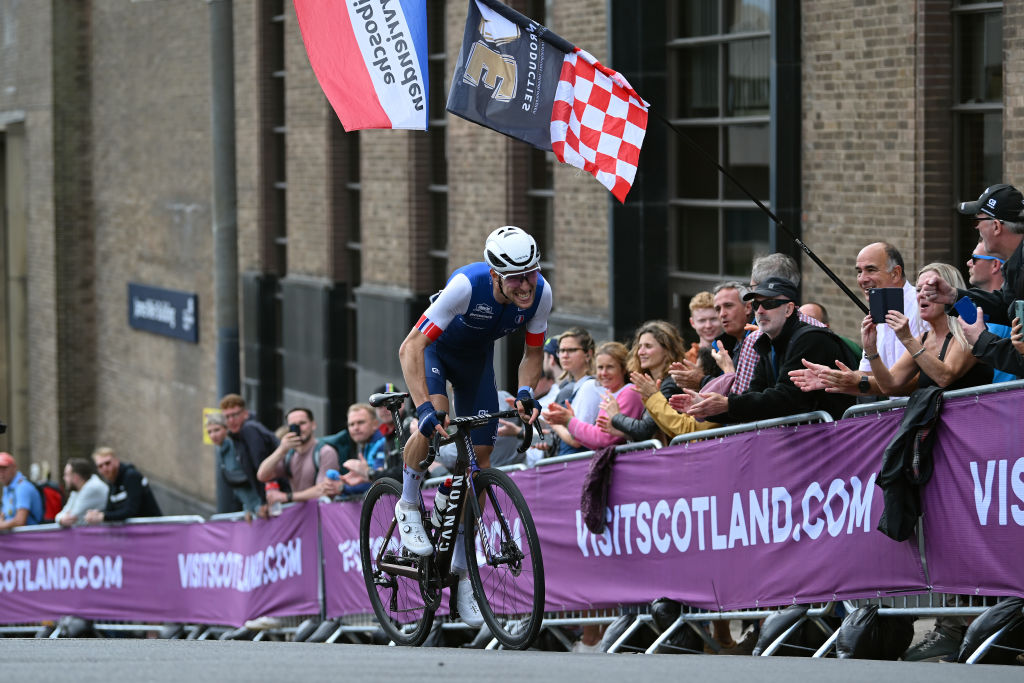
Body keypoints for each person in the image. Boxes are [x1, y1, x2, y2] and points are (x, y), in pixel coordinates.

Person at [395, 226, 550, 627]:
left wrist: (526, 391)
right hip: (435, 354)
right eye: (515, 277)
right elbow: (410, 346)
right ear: (495, 274)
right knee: (436, 424)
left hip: (476, 364)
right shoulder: (466, 285)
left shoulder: (540, 294)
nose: (525, 285)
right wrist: (424, 407)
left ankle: (465, 576)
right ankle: (408, 500)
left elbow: (533, 353)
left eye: (531, 273)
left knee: (478, 460)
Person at [685, 277, 856, 423]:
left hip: (832, 441)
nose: (760, 310)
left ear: (788, 309)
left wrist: (727, 404)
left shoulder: (810, 339)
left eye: (769, 303)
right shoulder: (767, 343)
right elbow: (755, 396)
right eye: (757, 304)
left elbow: (786, 399)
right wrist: (706, 408)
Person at [790, 242, 924, 398]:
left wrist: (857, 383)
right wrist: (834, 378)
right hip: (899, 415)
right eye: (859, 271)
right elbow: (868, 373)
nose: (862, 279)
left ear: (895, 273)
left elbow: (921, 380)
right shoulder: (876, 313)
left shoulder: (922, 307)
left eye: (871, 270)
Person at [920, 185, 1024, 379]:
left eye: (978, 220)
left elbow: (1021, 359)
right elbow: (1004, 305)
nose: (976, 227)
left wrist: (981, 340)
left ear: (996, 226)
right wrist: (954, 296)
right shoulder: (1016, 266)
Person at [543, 341, 643, 452]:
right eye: (600, 368)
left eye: (609, 367)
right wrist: (569, 421)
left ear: (623, 369)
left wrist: (569, 421)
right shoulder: (609, 395)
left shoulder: (630, 392)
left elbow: (604, 438)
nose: (603, 373)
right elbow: (596, 442)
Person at [603, 320, 688, 443]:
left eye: (648, 346)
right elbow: (653, 431)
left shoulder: (671, 383)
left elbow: (645, 429)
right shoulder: (658, 382)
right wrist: (626, 434)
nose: (640, 352)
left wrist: (616, 416)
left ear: (667, 350)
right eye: (640, 346)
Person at [257, 407, 342, 505]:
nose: (299, 429)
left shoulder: (325, 452)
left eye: (302, 423)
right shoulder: (289, 455)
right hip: (301, 515)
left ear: (313, 425)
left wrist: (287, 497)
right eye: (293, 425)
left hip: (322, 515)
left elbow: (324, 489)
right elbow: (262, 475)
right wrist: (281, 450)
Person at [219, 393, 282, 509]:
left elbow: (263, 468)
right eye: (227, 417)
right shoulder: (238, 436)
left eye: (235, 415)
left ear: (245, 414)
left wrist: (264, 502)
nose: (231, 420)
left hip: (277, 497)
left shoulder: (249, 430)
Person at [965, 240, 1016, 382]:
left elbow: (948, 372)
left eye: (974, 259)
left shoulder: (1005, 314)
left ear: (995, 265)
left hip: (1005, 399)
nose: (968, 263)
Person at [546, 328, 600, 456]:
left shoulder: (590, 386)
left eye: (571, 350)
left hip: (579, 464)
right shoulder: (579, 385)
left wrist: (555, 424)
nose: (564, 355)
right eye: (561, 351)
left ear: (588, 354)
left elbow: (576, 440)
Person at [84, 447, 162, 523]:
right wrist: (97, 514)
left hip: (151, 529)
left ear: (116, 461)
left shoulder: (131, 476)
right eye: (100, 466)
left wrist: (103, 516)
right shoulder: (112, 482)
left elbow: (131, 510)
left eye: (107, 463)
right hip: (134, 532)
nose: (105, 468)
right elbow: (110, 509)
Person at [206, 412, 262, 515]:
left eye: (217, 430)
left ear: (226, 429)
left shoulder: (236, 446)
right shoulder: (221, 449)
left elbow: (254, 474)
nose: (213, 435)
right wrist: (247, 508)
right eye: (209, 432)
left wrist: (262, 503)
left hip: (261, 504)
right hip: (250, 507)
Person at [331, 403, 388, 496]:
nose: (355, 428)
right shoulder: (366, 444)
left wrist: (342, 488)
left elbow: (379, 482)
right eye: (351, 424)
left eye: (360, 422)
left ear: (375, 424)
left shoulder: (383, 443)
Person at [55, 458, 110, 527]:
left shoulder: (92, 487)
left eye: (66, 474)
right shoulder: (77, 489)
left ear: (75, 477)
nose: (64, 478)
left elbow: (73, 517)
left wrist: (61, 519)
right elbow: (62, 514)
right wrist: (60, 519)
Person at [0, 452, 43, 530]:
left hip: (30, 539)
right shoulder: (6, 488)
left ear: (14, 468)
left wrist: (1, 526)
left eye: (4, 468)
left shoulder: (23, 487)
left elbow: (20, 521)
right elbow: (4, 515)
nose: (1, 473)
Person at [684, 291, 723, 363]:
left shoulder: (735, 352)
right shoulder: (686, 360)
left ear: (722, 318)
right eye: (702, 320)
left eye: (713, 319)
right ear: (692, 323)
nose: (708, 326)